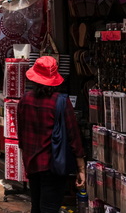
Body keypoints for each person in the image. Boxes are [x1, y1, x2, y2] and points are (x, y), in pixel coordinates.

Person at [17, 56, 85, 213]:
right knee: (49, 207)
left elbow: (21, 134)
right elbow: (73, 135)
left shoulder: (24, 100)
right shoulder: (60, 101)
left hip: (32, 163)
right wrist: (81, 167)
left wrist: (26, 156)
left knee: (36, 206)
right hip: (53, 165)